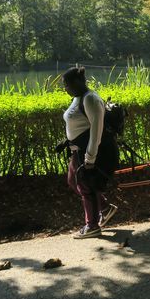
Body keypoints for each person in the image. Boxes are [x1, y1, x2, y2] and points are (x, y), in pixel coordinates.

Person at [61, 67, 119, 239]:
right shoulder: (78, 98)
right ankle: (105, 208)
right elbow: (80, 124)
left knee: (86, 186)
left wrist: (90, 158)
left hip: (92, 152)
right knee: (73, 181)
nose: (65, 89)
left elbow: (96, 131)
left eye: (67, 85)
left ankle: (92, 225)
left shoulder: (91, 99)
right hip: (77, 150)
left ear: (78, 82)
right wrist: (67, 140)